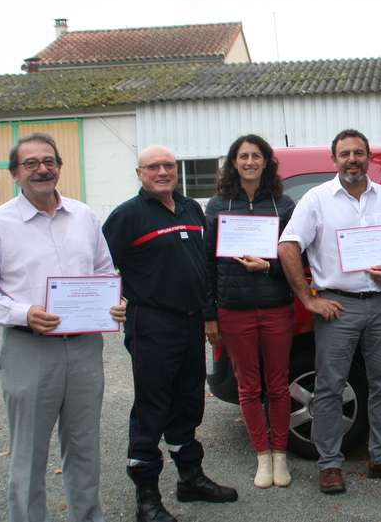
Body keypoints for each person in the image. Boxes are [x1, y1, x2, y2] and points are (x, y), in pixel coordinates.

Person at [0, 132, 127, 522]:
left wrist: (114, 303)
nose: (41, 169)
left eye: (48, 161)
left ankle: (87, 516)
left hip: (84, 348)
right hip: (28, 349)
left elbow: (103, 271)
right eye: (30, 163)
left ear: (59, 167)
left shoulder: (84, 217)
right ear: (15, 173)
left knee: (85, 446)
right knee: (29, 452)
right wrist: (23, 313)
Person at [277, 129, 381, 494]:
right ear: (334, 159)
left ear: (368, 157)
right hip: (339, 305)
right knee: (330, 386)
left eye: (358, 153)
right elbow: (288, 246)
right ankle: (330, 464)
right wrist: (308, 299)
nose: (352, 159)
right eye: (345, 153)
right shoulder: (316, 200)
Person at [102, 145, 237, 522]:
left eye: (168, 166)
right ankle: (146, 498)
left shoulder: (192, 209)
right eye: (153, 167)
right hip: (151, 325)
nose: (162, 172)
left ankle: (190, 479)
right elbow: (96, 266)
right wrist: (106, 303)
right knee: (152, 408)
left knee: (188, 402)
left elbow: (206, 265)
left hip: (190, 322)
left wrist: (210, 315)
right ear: (140, 173)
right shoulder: (127, 216)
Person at [203, 135, 296, 488]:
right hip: (234, 309)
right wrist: (209, 313)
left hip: (275, 307)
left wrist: (268, 267)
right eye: (243, 156)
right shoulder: (218, 205)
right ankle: (261, 455)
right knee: (248, 385)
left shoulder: (284, 205)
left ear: (266, 162)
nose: (250, 162)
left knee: (277, 385)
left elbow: (294, 258)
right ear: (234, 162)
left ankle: (280, 455)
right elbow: (207, 264)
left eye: (256, 156)